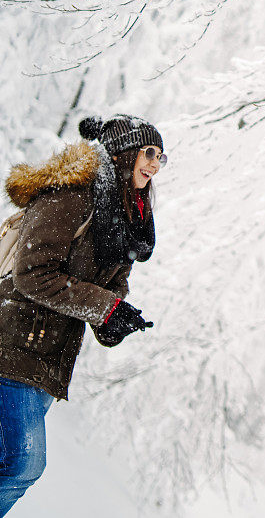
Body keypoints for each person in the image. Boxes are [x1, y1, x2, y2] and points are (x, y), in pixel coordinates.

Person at [0, 115, 165, 515]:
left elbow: (108, 291)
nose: (155, 163)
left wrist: (116, 320)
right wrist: (104, 306)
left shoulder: (128, 222)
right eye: (149, 152)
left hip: (48, 358)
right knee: (24, 463)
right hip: (11, 343)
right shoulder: (70, 196)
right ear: (124, 152)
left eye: (161, 156)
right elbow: (31, 274)